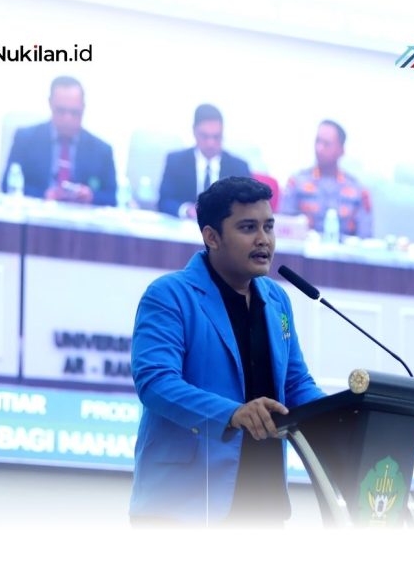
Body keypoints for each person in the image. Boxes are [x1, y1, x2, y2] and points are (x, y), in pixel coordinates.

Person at [130, 176, 325, 526]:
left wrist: (340, 415)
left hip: (263, 503)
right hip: (183, 507)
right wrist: (232, 414)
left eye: (268, 226)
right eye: (248, 228)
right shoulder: (170, 295)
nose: (264, 239)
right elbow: (156, 384)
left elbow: (295, 384)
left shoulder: (277, 299)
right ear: (212, 237)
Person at [0, 76, 117, 206]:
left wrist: (91, 196)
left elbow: (114, 197)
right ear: (50, 104)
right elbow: (6, 186)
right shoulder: (25, 139)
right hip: (38, 213)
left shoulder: (102, 151)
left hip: (82, 215)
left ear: (83, 108)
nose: (67, 119)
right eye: (61, 111)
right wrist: (43, 195)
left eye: (74, 112)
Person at [280, 120, 372, 238]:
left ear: (341, 150)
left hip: (344, 249)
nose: (319, 148)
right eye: (317, 141)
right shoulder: (297, 182)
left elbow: (365, 236)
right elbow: (284, 228)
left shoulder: (358, 190)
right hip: (304, 248)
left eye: (326, 144)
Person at [157, 104, 251, 219]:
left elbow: (247, 206)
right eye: (204, 136)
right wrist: (186, 210)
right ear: (194, 131)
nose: (210, 143)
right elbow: (164, 201)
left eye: (216, 137)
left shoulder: (239, 168)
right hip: (185, 226)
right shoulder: (176, 161)